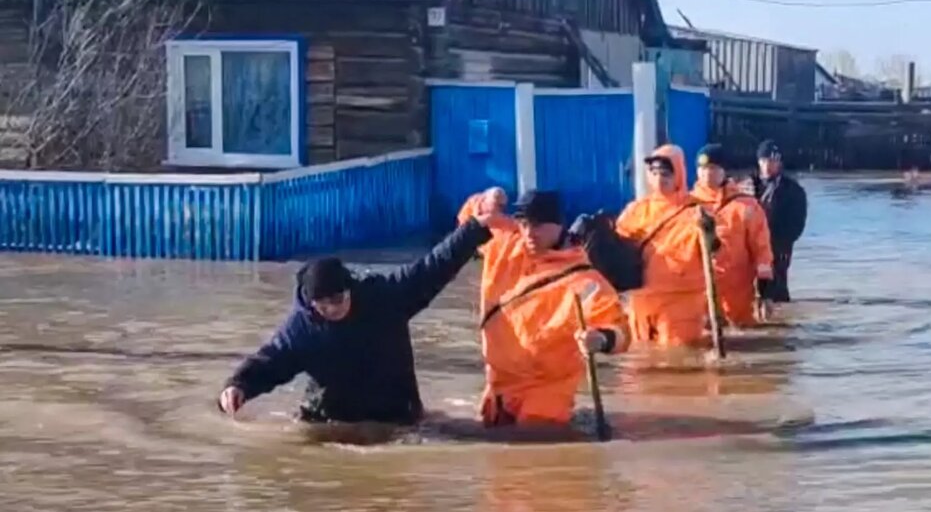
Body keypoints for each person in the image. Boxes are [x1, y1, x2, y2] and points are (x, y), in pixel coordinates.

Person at [216, 212, 499, 424]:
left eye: (337, 300)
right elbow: (272, 360)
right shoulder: (303, 327)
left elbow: (433, 267)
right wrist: (238, 385)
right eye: (321, 304)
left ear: (349, 290)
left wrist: (476, 229)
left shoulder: (385, 297)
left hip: (395, 415)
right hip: (330, 421)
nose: (330, 309)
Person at [456, 189, 630, 429]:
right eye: (524, 223)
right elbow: (468, 223)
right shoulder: (505, 246)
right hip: (497, 387)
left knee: (540, 457)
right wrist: (486, 200)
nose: (529, 233)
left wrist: (600, 339)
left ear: (558, 225)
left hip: (546, 395)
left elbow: (620, 331)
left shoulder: (585, 281)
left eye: (537, 226)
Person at [614, 144, 717, 348]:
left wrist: (709, 232)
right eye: (655, 173)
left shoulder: (697, 211)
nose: (660, 178)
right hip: (641, 301)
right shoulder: (636, 210)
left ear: (678, 174)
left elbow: (714, 249)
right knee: (643, 365)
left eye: (666, 173)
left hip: (681, 303)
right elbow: (618, 248)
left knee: (679, 360)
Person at [689, 143, 774, 328]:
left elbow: (762, 251)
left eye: (713, 168)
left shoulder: (746, 206)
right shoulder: (686, 207)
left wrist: (765, 292)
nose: (707, 174)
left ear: (724, 171)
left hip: (738, 298)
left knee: (745, 345)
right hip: (698, 296)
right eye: (702, 169)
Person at [747, 139, 808, 303]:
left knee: (777, 290)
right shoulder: (745, 186)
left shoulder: (793, 190)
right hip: (748, 246)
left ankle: (781, 323)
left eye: (773, 161)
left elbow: (797, 223)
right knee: (747, 290)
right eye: (764, 160)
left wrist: (780, 242)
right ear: (758, 161)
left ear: (779, 162)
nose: (768, 165)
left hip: (778, 247)